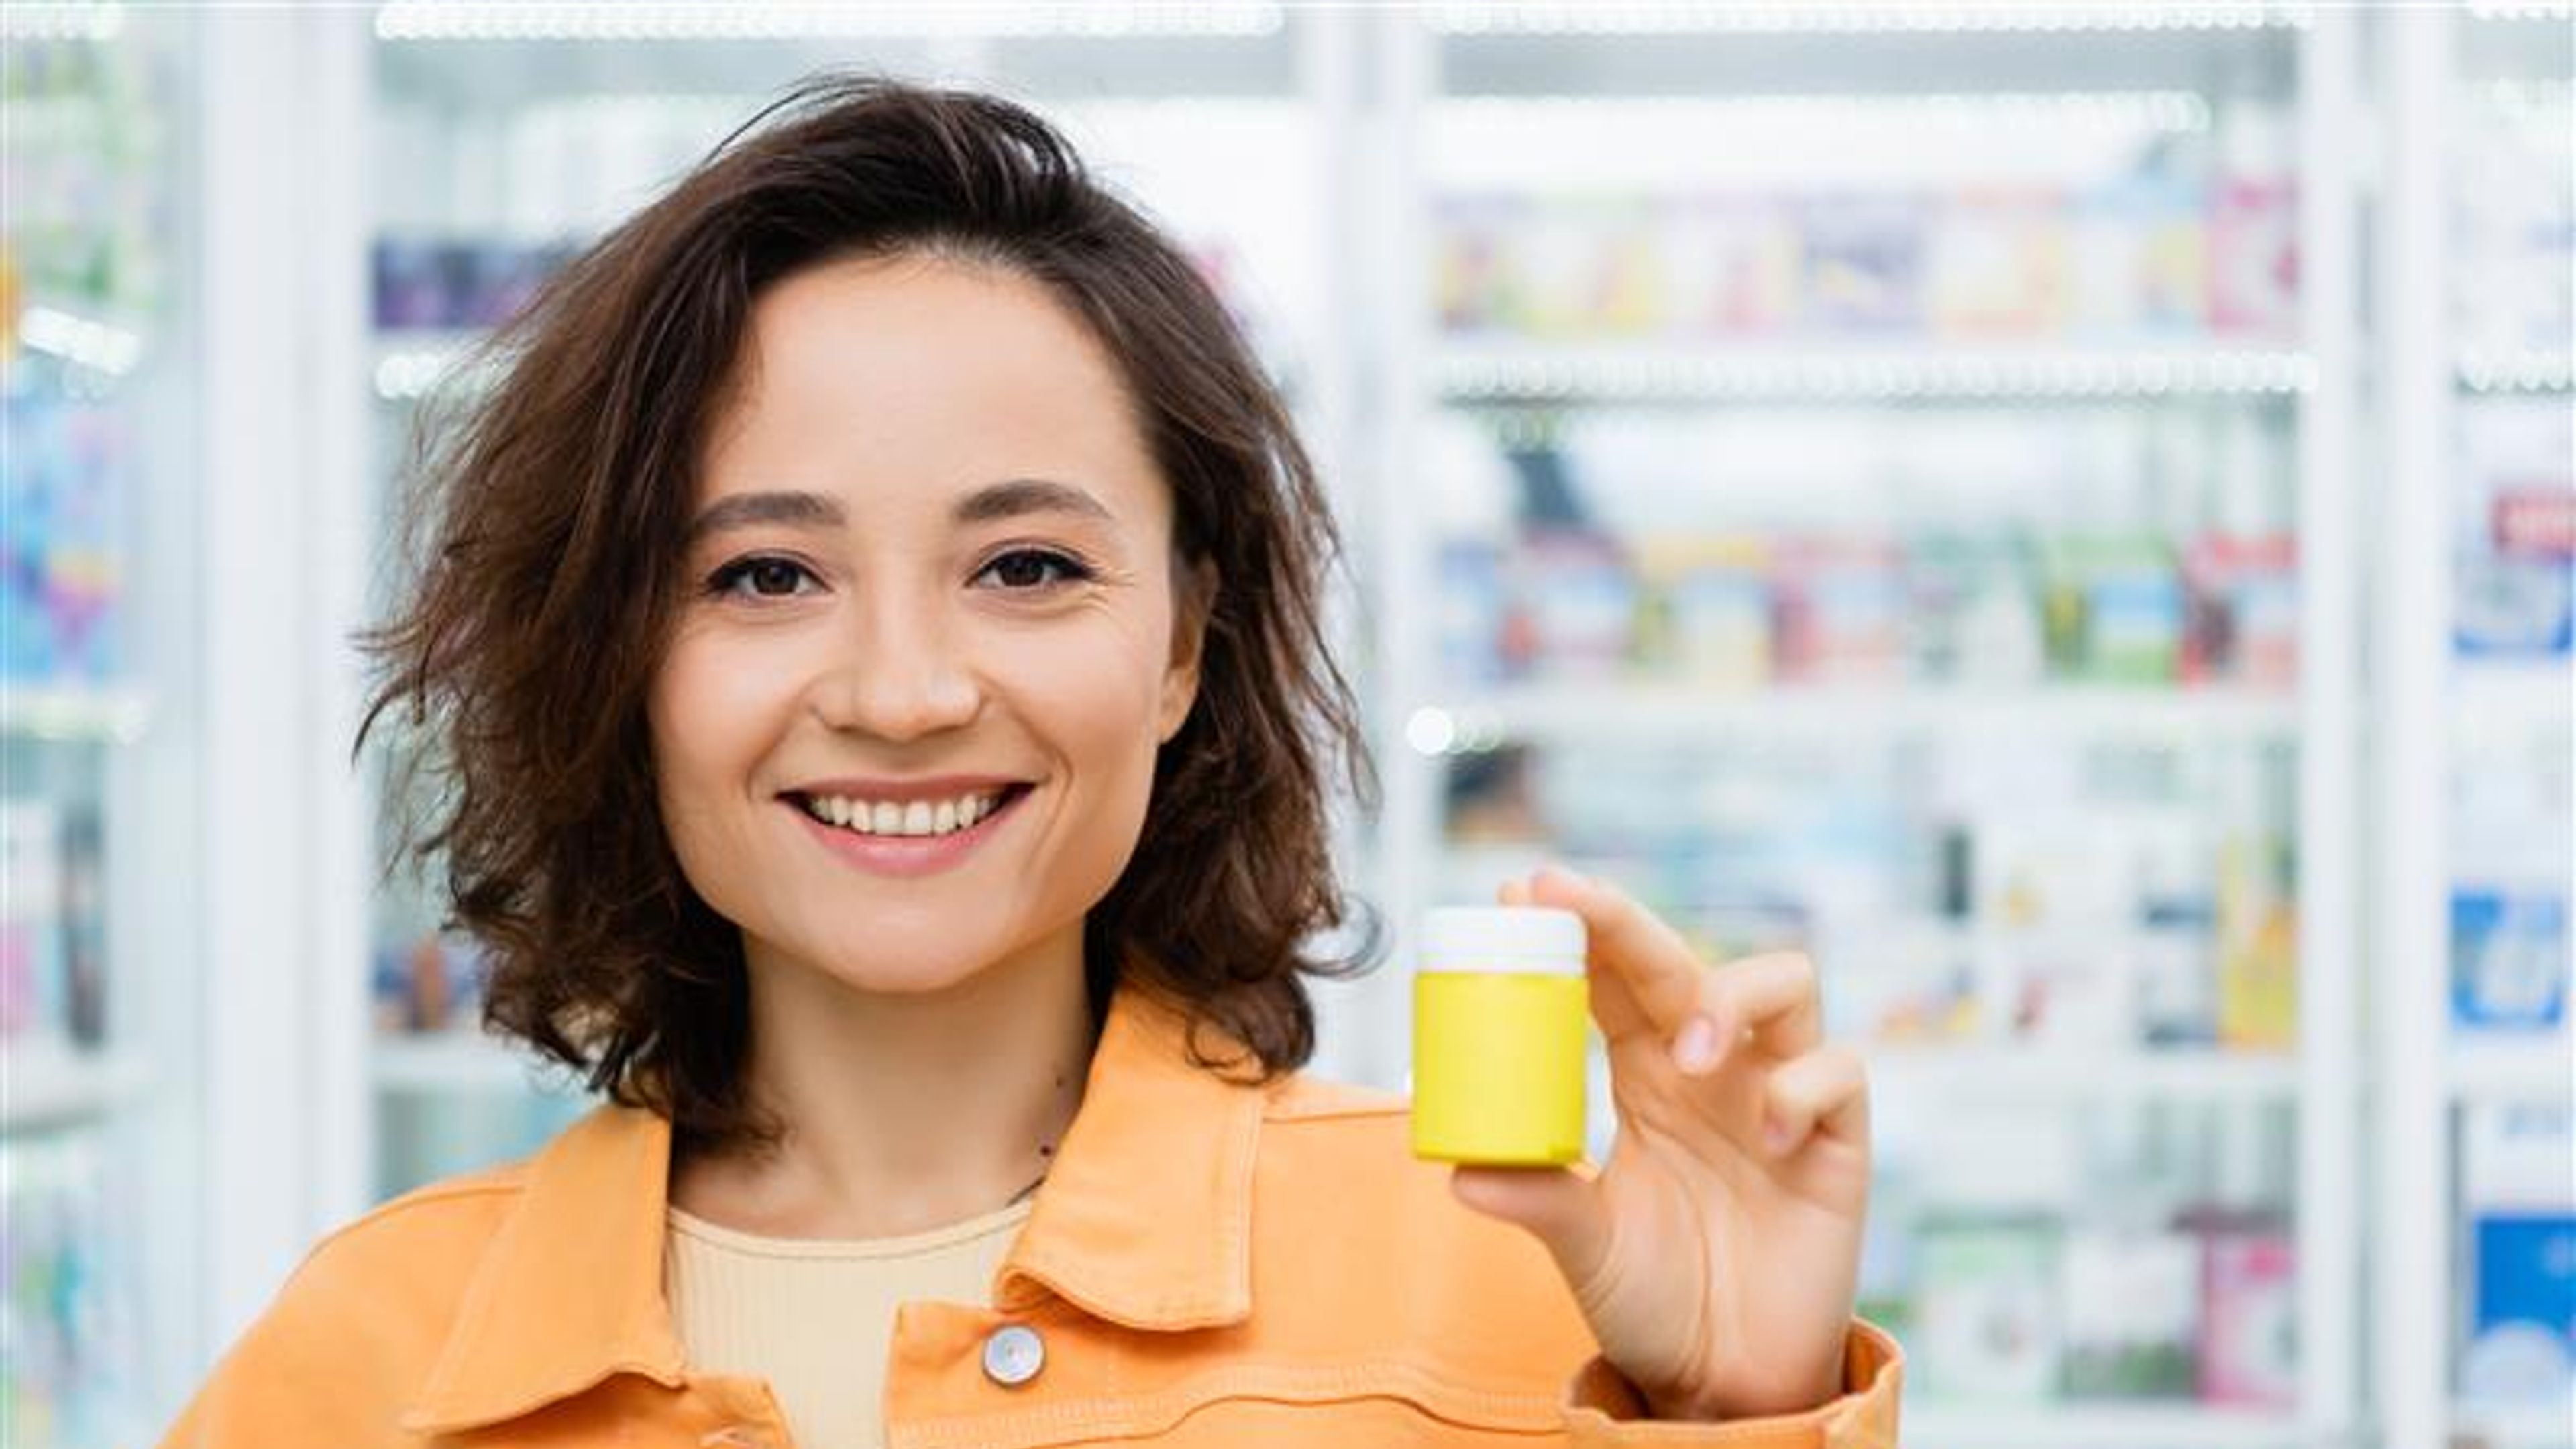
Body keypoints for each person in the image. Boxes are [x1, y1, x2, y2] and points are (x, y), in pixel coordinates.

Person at [161, 78, 1898, 1448]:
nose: (906, 692)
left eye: (1027, 568)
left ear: (1179, 650)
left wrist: (1744, 1413)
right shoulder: (362, 1357)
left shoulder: (1524, 1289)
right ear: (620, 653)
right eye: (765, 575)